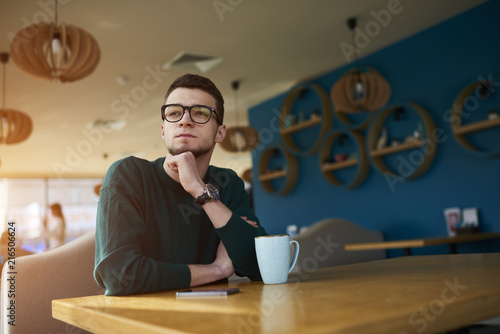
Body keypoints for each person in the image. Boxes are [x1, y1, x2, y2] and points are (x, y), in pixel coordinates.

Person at [94, 74, 268, 296]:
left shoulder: (227, 183)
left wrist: (200, 191)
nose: (185, 120)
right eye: (174, 113)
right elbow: (119, 276)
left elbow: (260, 265)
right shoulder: (129, 175)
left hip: (216, 321)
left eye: (201, 113)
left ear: (220, 133)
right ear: (163, 129)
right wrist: (218, 269)